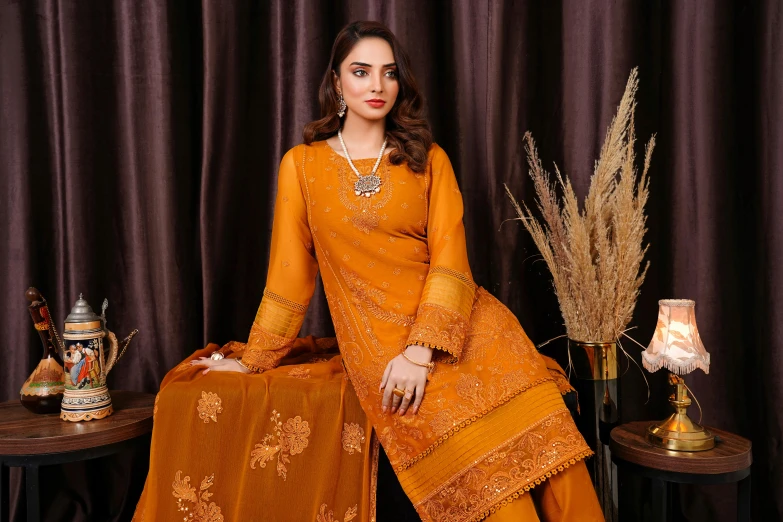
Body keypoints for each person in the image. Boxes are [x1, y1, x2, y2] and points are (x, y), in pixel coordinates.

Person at [188, 20, 604, 522]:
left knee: (562, 469)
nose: (376, 85)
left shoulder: (428, 160)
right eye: (360, 72)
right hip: (386, 360)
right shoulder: (301, 167)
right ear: (336, 83)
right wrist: (252, 362)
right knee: (504, 502)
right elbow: (289, 276)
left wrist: (420, 350)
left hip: (470, 336)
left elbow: (452, 263)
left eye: (388, 73)